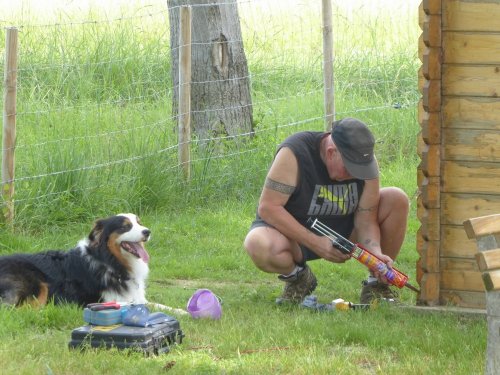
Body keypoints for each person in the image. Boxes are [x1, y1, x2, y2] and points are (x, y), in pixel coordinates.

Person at [243, 117, 409, 304]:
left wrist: (375, 254)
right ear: (331, 153)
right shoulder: (294, 153)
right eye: (349, 169)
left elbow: (366, 219)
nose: (355, 175)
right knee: (257, 243)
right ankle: (298, 278)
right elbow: (268, 208)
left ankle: (376, 285)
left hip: (344, 230)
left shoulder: (364, 162)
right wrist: (317, 243)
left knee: (397, 199)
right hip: (294, 234)